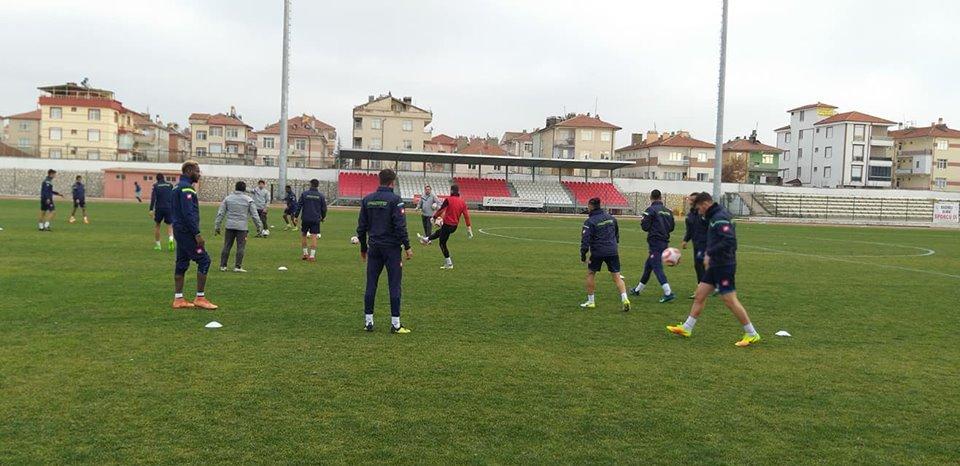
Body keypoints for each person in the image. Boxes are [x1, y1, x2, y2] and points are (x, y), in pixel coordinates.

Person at [667, 192, 761, 347]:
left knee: (729, 300)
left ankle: (752, 333)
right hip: (715, 265)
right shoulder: (712, 216)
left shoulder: (719, 217)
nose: (698, 211)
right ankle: (687, 328)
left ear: (705, 204)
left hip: (724, 264)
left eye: (698, 208)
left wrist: (709, 253)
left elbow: (730, 241)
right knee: (700, 294)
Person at [356, 168, 413, 334]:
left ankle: (368, 322)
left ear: (379, 181)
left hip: (374, 248)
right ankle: (395, 324)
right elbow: (400, 226)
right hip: (392, 249)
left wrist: (363, 248)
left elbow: (361, 228)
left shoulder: (368, 200)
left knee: (371, 284)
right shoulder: (395, 200)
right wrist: (408, 247)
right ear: (392, 182)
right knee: (394, 284)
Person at [170, 160, 217, 310]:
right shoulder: (186, 189)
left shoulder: (176, 187)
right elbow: (188, 213)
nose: (199, 174)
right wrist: (197, 234)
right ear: (189, 171)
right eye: (197, 171)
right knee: (204, 260)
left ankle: (178, 299)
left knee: (182, 262)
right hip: (187, 232)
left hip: (179, 230)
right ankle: (200, 297)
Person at [579, 197, 631, 312]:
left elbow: (585, 240)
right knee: (617, 276)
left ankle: (591, 301)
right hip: (612, 251)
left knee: (591, 273)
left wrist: (583, 255)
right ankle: (625, 299)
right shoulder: (611, 218)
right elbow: (616, 233)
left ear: (591, 206)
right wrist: (614, 245)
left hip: (598, 252)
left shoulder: (590, 221)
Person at [631, 189, 676, 303]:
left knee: (656, 267)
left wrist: (652, 227)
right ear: (660, 197)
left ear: (651, 198)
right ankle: (637, 290)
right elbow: (671, 227)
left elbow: (645, 226)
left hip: (655, 241)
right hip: (664, 241)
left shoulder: (650, 210)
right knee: (648, 266)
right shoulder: (668, 211)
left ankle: (668, 292)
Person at [418, 184, 473, 269]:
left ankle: (449, 263)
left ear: (451, 191)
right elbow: (466, 215)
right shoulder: (462, 202)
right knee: (440, 232)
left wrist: (434, 217)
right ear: (458, 192)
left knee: (442, 243)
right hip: (454, 226)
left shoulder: (448, 199)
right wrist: (469, 228)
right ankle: (427, 239)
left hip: (447, 224)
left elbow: (441, 210)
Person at [214, 181, 264, 272]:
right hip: (242, 227)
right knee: (241, 247)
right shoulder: (248, 200)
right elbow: (255, 215)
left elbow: (220, 213)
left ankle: (223, 266)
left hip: (229, 225)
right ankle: (237, 267)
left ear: (235, 188)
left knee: (227, 245)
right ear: (245, 189)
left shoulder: (228, 199)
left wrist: (217, 226)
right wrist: (259, 227)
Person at [681, 192, 708, 299]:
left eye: (692, 200)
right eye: (690, 199)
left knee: (700, 265)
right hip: (697, 244)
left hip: (706, 243)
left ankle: (701, 290)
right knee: (701, 266)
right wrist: (685, 240)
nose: (690, 201)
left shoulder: (703, 213)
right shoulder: (690, 215)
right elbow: (690, 230)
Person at [296, 179, 328, 262]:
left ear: (310, 184)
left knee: (304, 235)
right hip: (315, 219)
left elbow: (299, 206)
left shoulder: (304, 194)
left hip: (306, 218)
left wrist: (296, 216)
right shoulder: (320, 196)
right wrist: (323, 217)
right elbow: (324, 208)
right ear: (317, 185)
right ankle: (312, 256)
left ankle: (305, 254)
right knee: (314, 236)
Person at [149, 173, 176, 251]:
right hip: (169, 208)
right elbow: (173, 196)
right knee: (170, 226)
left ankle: (158, 245)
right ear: (164, 178)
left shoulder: (155, 186)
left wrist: (151, 209)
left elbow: (153, 198)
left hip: (159, 208)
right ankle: (171, 240)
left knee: (157, 226)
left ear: (157, 179)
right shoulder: (170, 185)